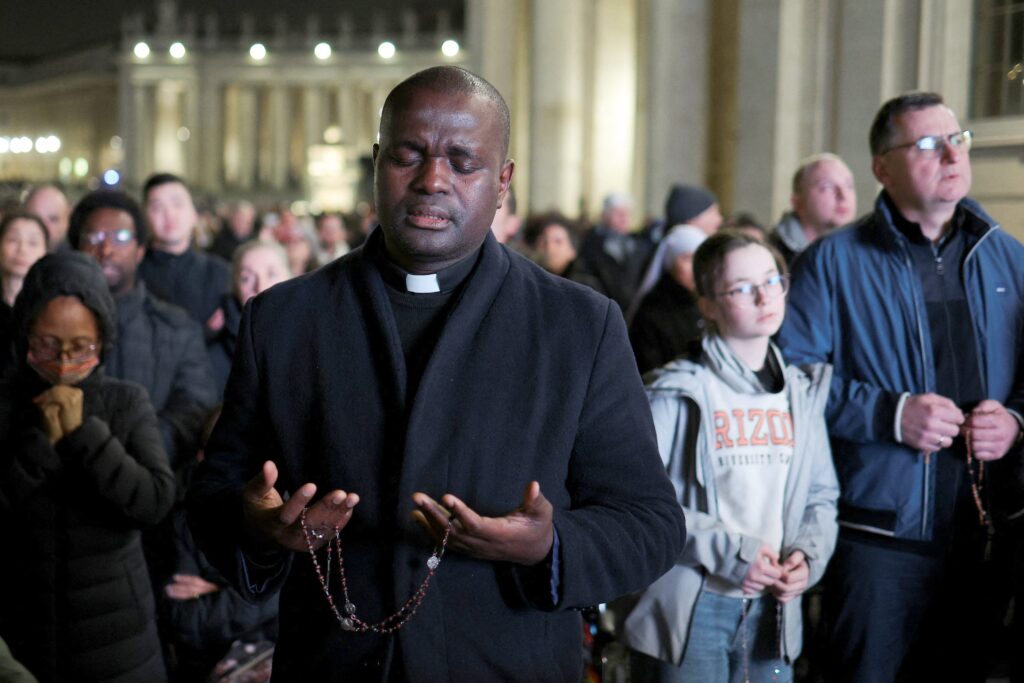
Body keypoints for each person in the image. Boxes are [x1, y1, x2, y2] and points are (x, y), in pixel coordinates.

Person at [188, 65, 686, 681]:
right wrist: (260, 527)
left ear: (503, 182)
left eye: (462, 161)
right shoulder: (285, 318)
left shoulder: (579, 325)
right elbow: (213, 499)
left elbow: (651, 524)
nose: (432, 180)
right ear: (375, 164)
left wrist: (549, 547)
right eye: (408, 155)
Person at [778, 91, 1024, 682]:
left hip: (985, 534)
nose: (950, 154)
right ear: (881, 168)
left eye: (956, 139)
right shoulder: (832, 263)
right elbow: (791, 384)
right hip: (880, 539)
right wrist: (890, 415)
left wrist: (1017, 420)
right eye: (926, 144)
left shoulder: (1009, 259)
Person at [615, 230, 838, 682]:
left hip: (775, 606)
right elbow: (635, 503)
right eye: (741, 288)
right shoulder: (675, 392)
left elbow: (821, 496)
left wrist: (808, 559)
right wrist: (732, 551)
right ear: (708, 306)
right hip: (694, 606)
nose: (764, 296)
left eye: (773, 280)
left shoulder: (799, 391)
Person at [0, 252, 175, 682]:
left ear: (102, 339)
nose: (62, 361)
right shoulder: (5, 403)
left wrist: (86, 437)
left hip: (119, 639)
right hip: (25, 630)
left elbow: (154, 501)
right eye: (47, 345)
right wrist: (39, 444)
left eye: (80, 347)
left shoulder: (126, 401)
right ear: (25, 336)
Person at [70, 190, 218, 472]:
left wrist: (133, 452)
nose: (106, 250)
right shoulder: (53, 326)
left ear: (140, 250)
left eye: (121, 237)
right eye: (94, 238)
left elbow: (194, 408)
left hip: (153, 482)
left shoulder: (177, 327)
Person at [138, 173, 231, 338]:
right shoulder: (132, 276)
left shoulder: (219, 273)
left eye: (177, 204)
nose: (169, 215)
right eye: (158, 207)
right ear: (144, 217)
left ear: (194, 214)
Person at [209, 240, 292, 396]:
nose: (260, 287)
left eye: (271, 274)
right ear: (235, 287)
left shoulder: (316, 339)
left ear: (292, 276)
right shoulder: (214, 359)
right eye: (247, 278)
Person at [627, 224, 707, 374]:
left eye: (700, 259)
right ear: (670, 263)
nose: (696, 267)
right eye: (687, 259)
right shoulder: (652, 311)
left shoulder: (705, 302)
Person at [767, 154, 857, 266]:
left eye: (849, 186)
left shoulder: (866, 251)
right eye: (827, 187)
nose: (843, 196)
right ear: (798, 202)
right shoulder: (770, 256)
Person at [573, 192, 653, 311]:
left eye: (627, 213)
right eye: (618, 213)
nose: (624, 218)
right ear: (604, 215)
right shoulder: (591, 244)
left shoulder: (638, 244)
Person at [0, 212, 49, 375]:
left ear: (46, 252)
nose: (22, 249)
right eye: (13, 240)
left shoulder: (50, 309)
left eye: (33, 243)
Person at [23, 184, 71, 252]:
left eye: (53, 219)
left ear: (67, 222)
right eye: (36, 219)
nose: (45, 227)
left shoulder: (80, 259)